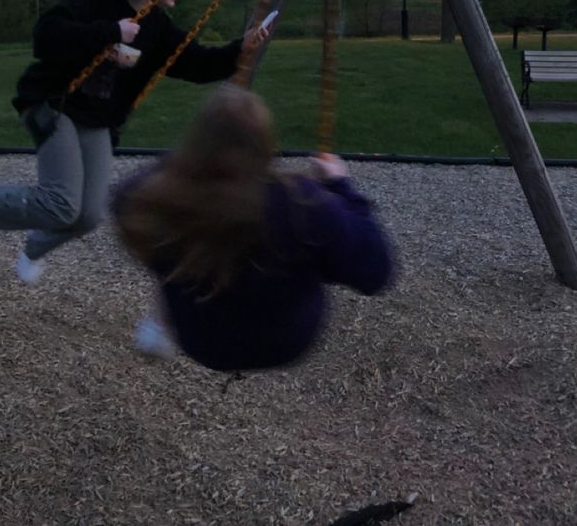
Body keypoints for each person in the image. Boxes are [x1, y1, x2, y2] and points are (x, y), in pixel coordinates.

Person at [0, 0, 269, 285]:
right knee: (61, 204)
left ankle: (35, 246)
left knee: (88, 215)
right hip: (55, 103)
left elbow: (196, 65)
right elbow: (45, 36)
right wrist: (112, 32)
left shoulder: (157, 27)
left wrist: (239, 50)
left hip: (97, 121)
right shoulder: (97, 4)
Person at [111, 85, 394, 372]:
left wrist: (187, 166)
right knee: (311, 246)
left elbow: (138, 195)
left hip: (202, 339)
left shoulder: (148, 197)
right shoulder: (300, 205)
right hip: (282, 342)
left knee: (178, 246)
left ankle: (162, 317)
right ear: (265, 144)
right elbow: (375, 272)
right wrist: (339, 185)